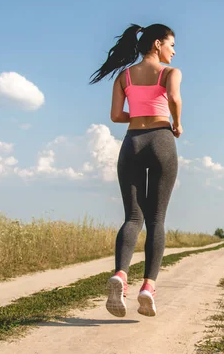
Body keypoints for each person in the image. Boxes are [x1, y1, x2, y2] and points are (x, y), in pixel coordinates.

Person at [89, 23, 182, 317]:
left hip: (131, 142)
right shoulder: (170, 73)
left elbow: (116, 115)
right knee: (156, 219)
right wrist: (176, 124)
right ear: (157, 43)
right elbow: (174, 100)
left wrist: (139, 112)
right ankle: (148, 287)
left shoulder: (124, 76)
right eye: (171, 44)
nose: (173, 50)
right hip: (160, 139)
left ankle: (120, 274)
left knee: (132, 217)